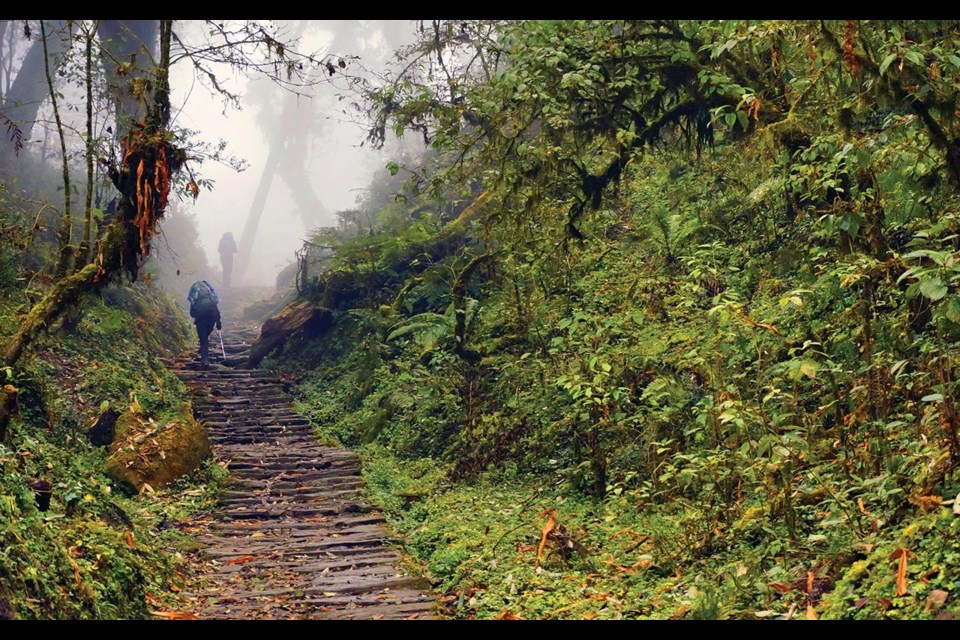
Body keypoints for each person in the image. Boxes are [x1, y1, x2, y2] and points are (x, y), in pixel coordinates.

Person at [187, 280, 221, 368]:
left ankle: (205, 360)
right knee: (206, 336)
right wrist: (218, 323)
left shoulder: (195, 295)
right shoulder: (210, 295)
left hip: (200, 320)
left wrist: (197, 314)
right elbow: (216, 309)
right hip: (211, 319)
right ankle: (203, 353)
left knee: (203, 339)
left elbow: (192, 313)